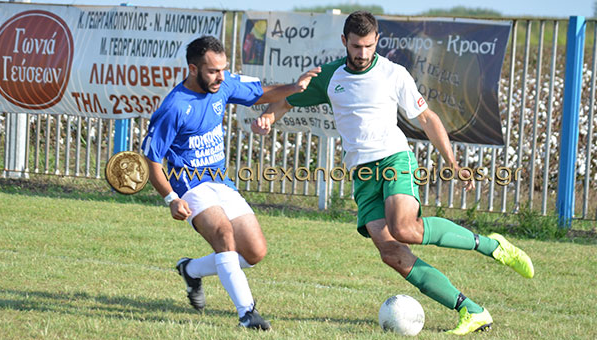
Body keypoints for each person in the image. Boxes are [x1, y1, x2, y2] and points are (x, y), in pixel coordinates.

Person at [251, 11, 534, 335]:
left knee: (404, 228)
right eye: (356, 46)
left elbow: (427, 118)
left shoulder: (393, 73)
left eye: (369, 46)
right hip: (362, 174)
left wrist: (453, 164)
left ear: (377, 42)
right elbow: (287, 100)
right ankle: (472, 310)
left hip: (393, 160)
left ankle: (491, 245)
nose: (362, 53)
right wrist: (269, 118)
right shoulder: (329, 76)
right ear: (345, 42)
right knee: (393, 253)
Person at [141, 35, 320, 331]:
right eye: (213, 71)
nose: (220, 77)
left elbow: (260, 93)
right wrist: (171, 198)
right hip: (189, 184)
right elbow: (151, 159)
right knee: (224, 234)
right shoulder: (175, 106)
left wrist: (296, 87)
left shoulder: (222, 85)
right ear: (193, 69)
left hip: (221, 182)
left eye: (223, 69)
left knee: (254, 252)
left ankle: (190, 269)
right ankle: (247, 313)